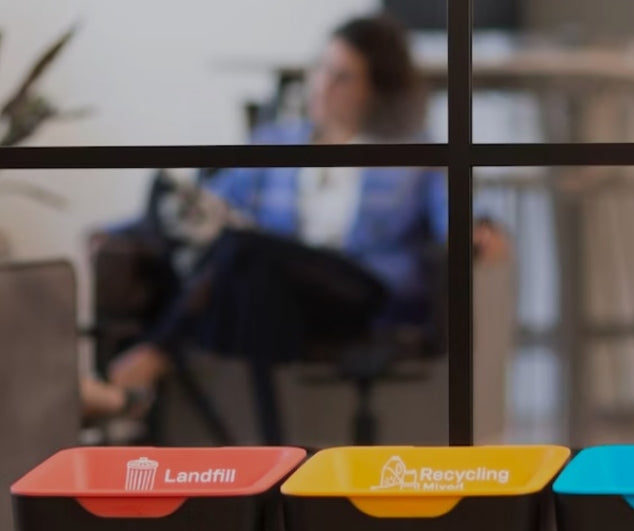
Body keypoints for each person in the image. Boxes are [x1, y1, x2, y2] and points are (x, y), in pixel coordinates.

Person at [101, 14, 508, 397]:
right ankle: (264, 437)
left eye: (342, 77)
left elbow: (455, 216)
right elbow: (208, 212)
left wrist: (481, 232)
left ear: (376, 88)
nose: (322, 85)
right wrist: (122, 232)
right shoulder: (276, 144)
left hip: (360, 290)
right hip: (284, 288)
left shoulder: (414, 158)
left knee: (243, 249)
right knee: (235, 252)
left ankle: (157, 354)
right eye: (321, 69)